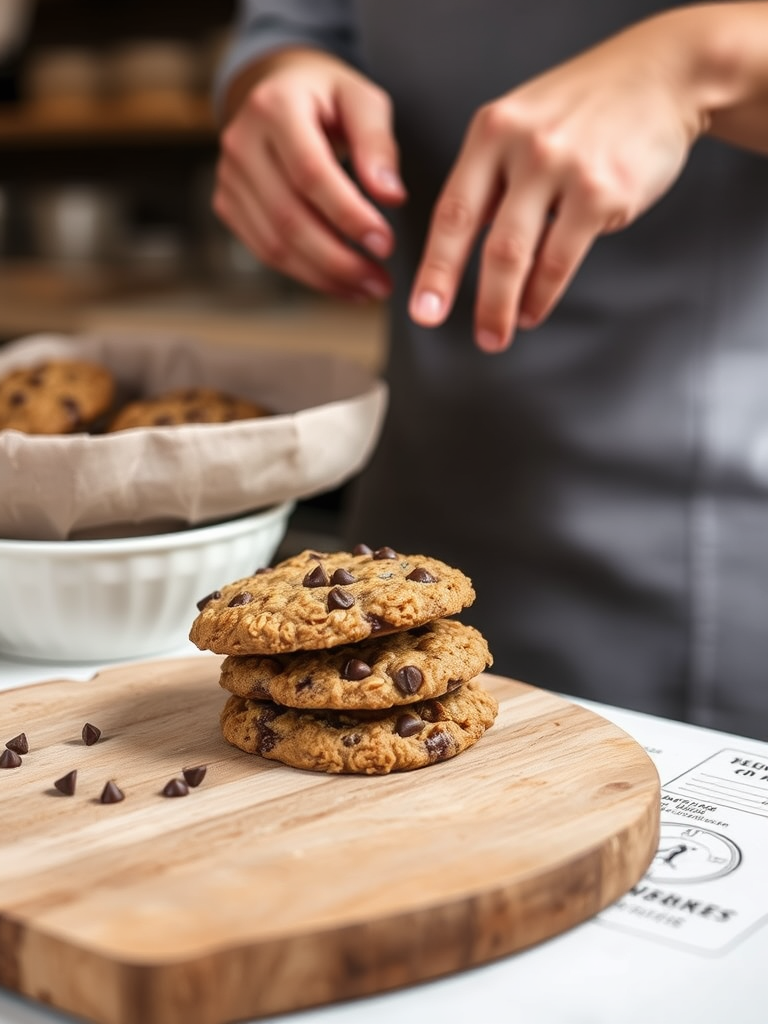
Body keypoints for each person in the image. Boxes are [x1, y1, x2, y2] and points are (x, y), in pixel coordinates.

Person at [211, 1, 768, 739]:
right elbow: (294, 26)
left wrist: (700, 62)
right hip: (418, 494)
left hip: (710, 549)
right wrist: (280, 81)